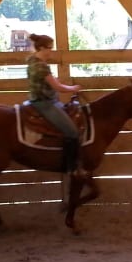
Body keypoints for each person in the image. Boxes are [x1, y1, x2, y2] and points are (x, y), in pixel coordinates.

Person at [26, 33, 83, 174]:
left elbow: (52, 82)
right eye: (50, 48)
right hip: (44, 103)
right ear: (41, 48)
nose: (51, 51)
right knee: (72, 132)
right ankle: (70, 167)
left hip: (40, 100)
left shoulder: (32, 61)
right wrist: (73, 88)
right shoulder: (41, 66)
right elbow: (58, 87)